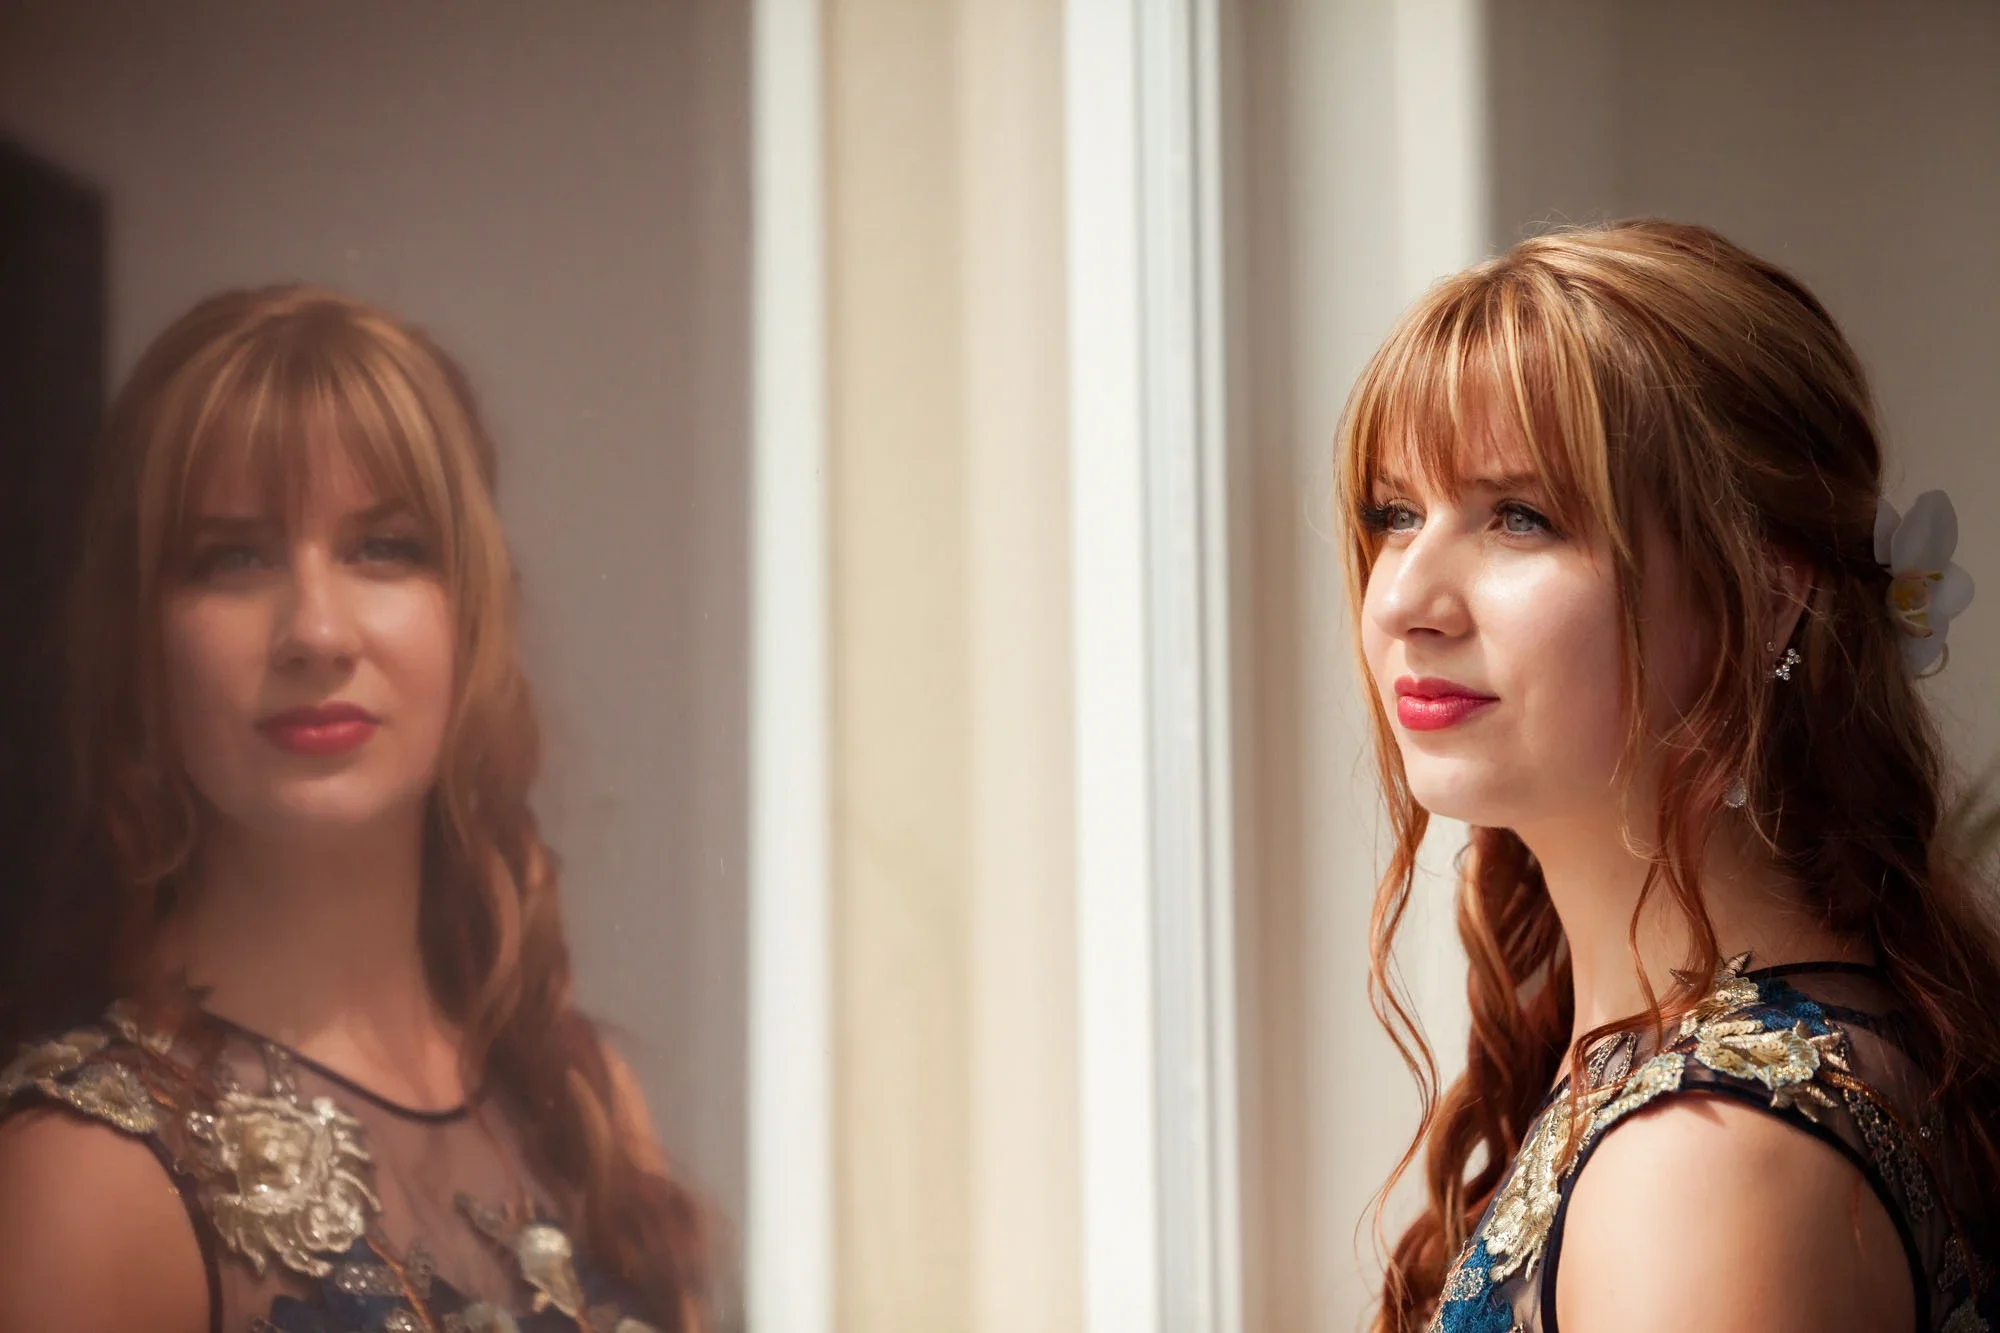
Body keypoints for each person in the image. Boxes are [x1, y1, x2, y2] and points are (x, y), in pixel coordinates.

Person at [0, 287, 711, 1333]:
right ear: (142, 640)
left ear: (472, 612)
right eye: (234, 558)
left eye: (384, 548)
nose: (317, 631)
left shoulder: (583, 1105)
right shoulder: (85, 1180)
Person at [1338, 221, 1996, 1333]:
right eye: (1395, 514)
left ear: (1763, 600)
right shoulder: (1803, 1052)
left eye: (1520, 517)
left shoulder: (1701, 1170)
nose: (1404, 598)